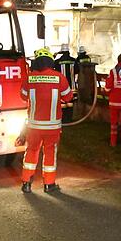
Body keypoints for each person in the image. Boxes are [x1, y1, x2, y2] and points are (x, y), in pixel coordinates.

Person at [20, 48, 73, 193]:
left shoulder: (29, 78)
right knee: (50, 153)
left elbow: (23, 96)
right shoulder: (59, 77)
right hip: (52, 127)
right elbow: (68, 97)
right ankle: (49, 184)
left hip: (33, 127)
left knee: (31, 151)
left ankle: (26, 183)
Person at [54, 45, 78, 123]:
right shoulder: (74, 60)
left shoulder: (57, 61)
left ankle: (63, 119)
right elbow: (77, 71)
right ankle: (69, 119)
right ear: (68, 51)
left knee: (62, 104)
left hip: (61, 87)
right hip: (72, 87)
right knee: (70, 103)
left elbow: (55, 72)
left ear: (61, 52)